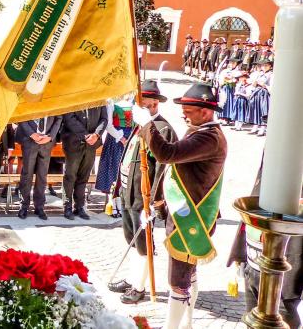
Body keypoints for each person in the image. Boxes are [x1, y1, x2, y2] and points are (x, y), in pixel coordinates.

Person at [139, 83, 227, 329]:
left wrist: (147, 126)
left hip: (192, 218)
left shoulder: (209, 137)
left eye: (188, 110)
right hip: (185, 212)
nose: (184, 114)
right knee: (190, 274)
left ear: (205, 112)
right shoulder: (201, 130)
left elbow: (167, 154)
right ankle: (186, 323)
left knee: (178, 280)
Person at [108, 80, 177, 304]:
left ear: (155, 104)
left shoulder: (162, 129)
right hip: (129, 191)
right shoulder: (140, 125)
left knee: (142, 242)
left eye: (147, 105)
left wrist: (155, 201)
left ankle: (139, 286)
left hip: (143, 196)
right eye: (141, 105)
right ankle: (132, 277)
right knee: (130, 237)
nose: (143, 109)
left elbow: (161, 170)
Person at [227, 162, 301, 328]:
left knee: (283, 312)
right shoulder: (274, 154)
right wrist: (240, 251)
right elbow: (257, 192)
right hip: (255, 255)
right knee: (253, 315)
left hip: (288, 259)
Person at [60, 106, 108, 220]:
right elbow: (69, 118)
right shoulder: (74, 96)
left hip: (92, 144)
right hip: (74, 142)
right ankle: (67, 206)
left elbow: (104, 119)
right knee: (70, 176)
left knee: (84, 176)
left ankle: (79, 206)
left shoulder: (99, 98)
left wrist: (96, 134)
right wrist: (86, 135)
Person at [14, 115, 62, 220]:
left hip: (47, 142)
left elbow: (59, 118)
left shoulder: (52, 99)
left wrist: (50, 136)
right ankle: (24, 205)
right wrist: (31, 134)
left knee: (42, 175)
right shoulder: (29, 98)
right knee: (27, 174)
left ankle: (39, 206)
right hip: (29, 140)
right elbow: (22, 115)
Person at [95, 97, 134, 197]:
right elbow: (108, 124)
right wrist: (120, 137)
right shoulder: (111, 101)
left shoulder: (134, 99)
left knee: (131, 168)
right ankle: (113, 203)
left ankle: (129, 197)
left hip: (132, 137)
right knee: (114, 168)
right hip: (115, 138)